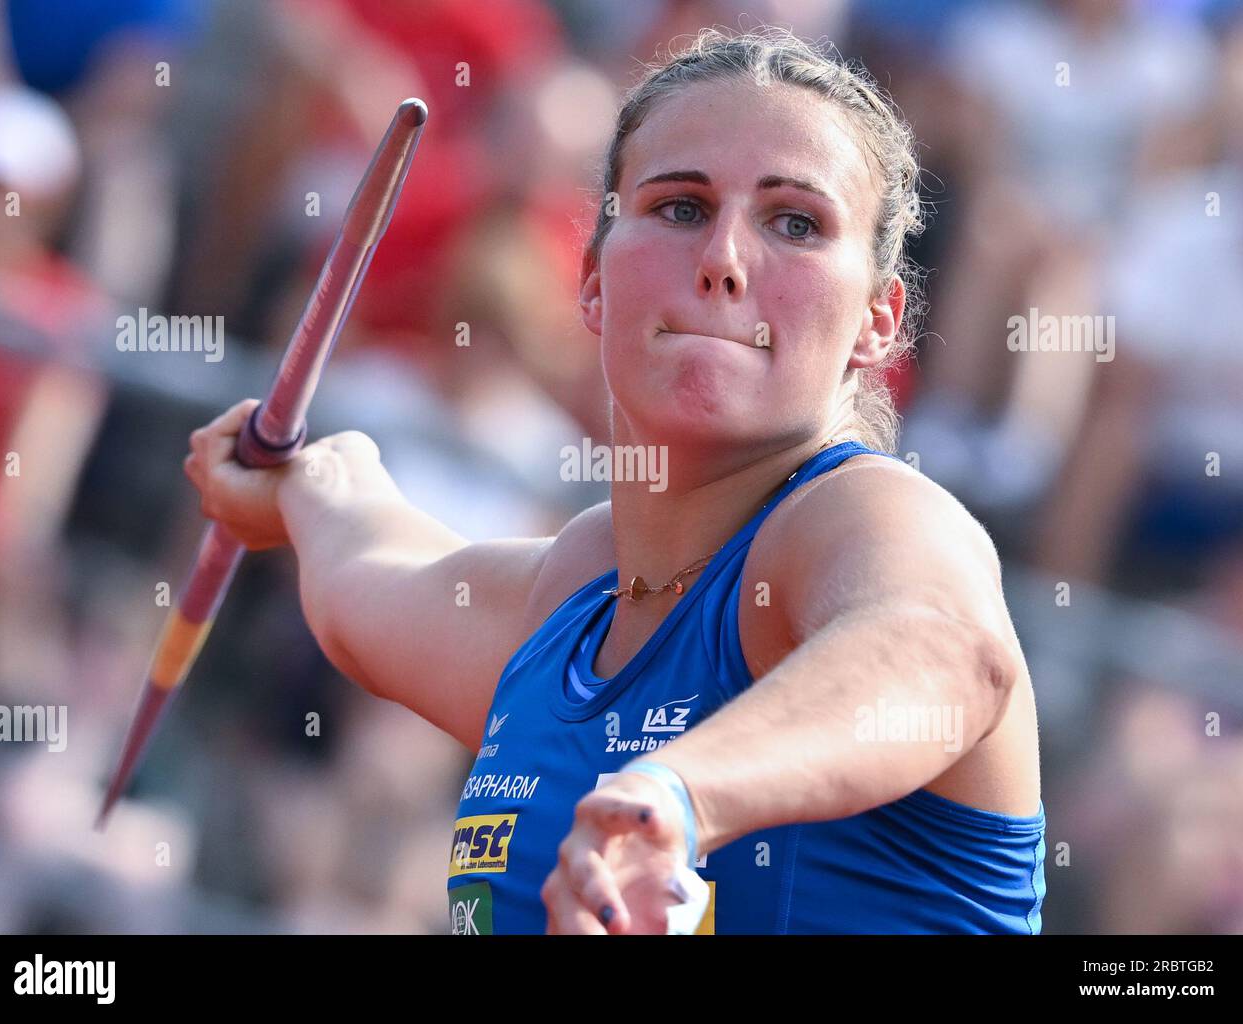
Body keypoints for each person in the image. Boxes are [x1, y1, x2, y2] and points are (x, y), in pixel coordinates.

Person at [183, 26, 1045, 934]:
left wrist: (673, 798)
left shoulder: (863, 516)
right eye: (680, 207)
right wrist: (309, 481)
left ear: (878, 319)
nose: (725, 259)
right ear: (590, 281)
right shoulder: (573, 595)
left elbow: (944, 655)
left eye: (796, 223)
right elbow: (371, 581)